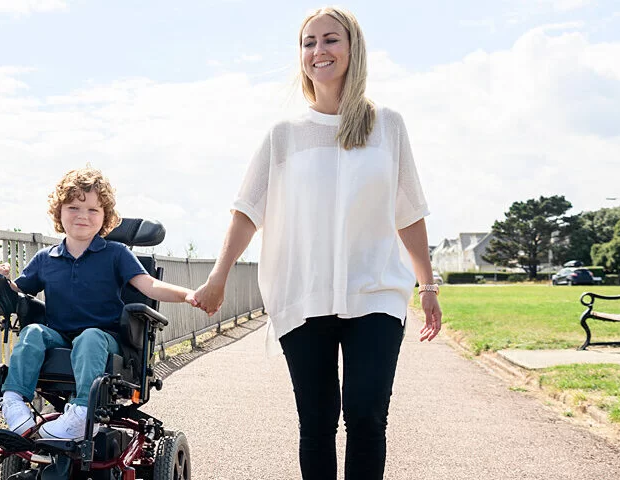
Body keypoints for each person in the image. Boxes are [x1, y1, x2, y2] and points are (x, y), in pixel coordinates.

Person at [187, 6, 443, 480]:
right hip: (303, 295)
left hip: (376, 293)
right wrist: (218, 277)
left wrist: (427, 286)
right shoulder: (284, 136)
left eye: (330, 40)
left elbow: (408, 212)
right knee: (318, 423)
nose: (318, 51)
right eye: (309, 43)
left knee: (366, 417)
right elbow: (247, 210)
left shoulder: (388, 126)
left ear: (353, 48)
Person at [0, 167, 195, 440]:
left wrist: (188, 295)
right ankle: (14, 401)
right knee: (31, 333)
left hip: (105, 338)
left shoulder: (115, 254)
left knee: (89, 338)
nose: (82, 216)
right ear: (59, 212)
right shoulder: (46, 258)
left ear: (105, 217)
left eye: (92, 210)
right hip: (61, 338)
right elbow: (19, 291)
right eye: (74, 207)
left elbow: (149, 286)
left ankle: (81, 412)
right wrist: (2, 279)